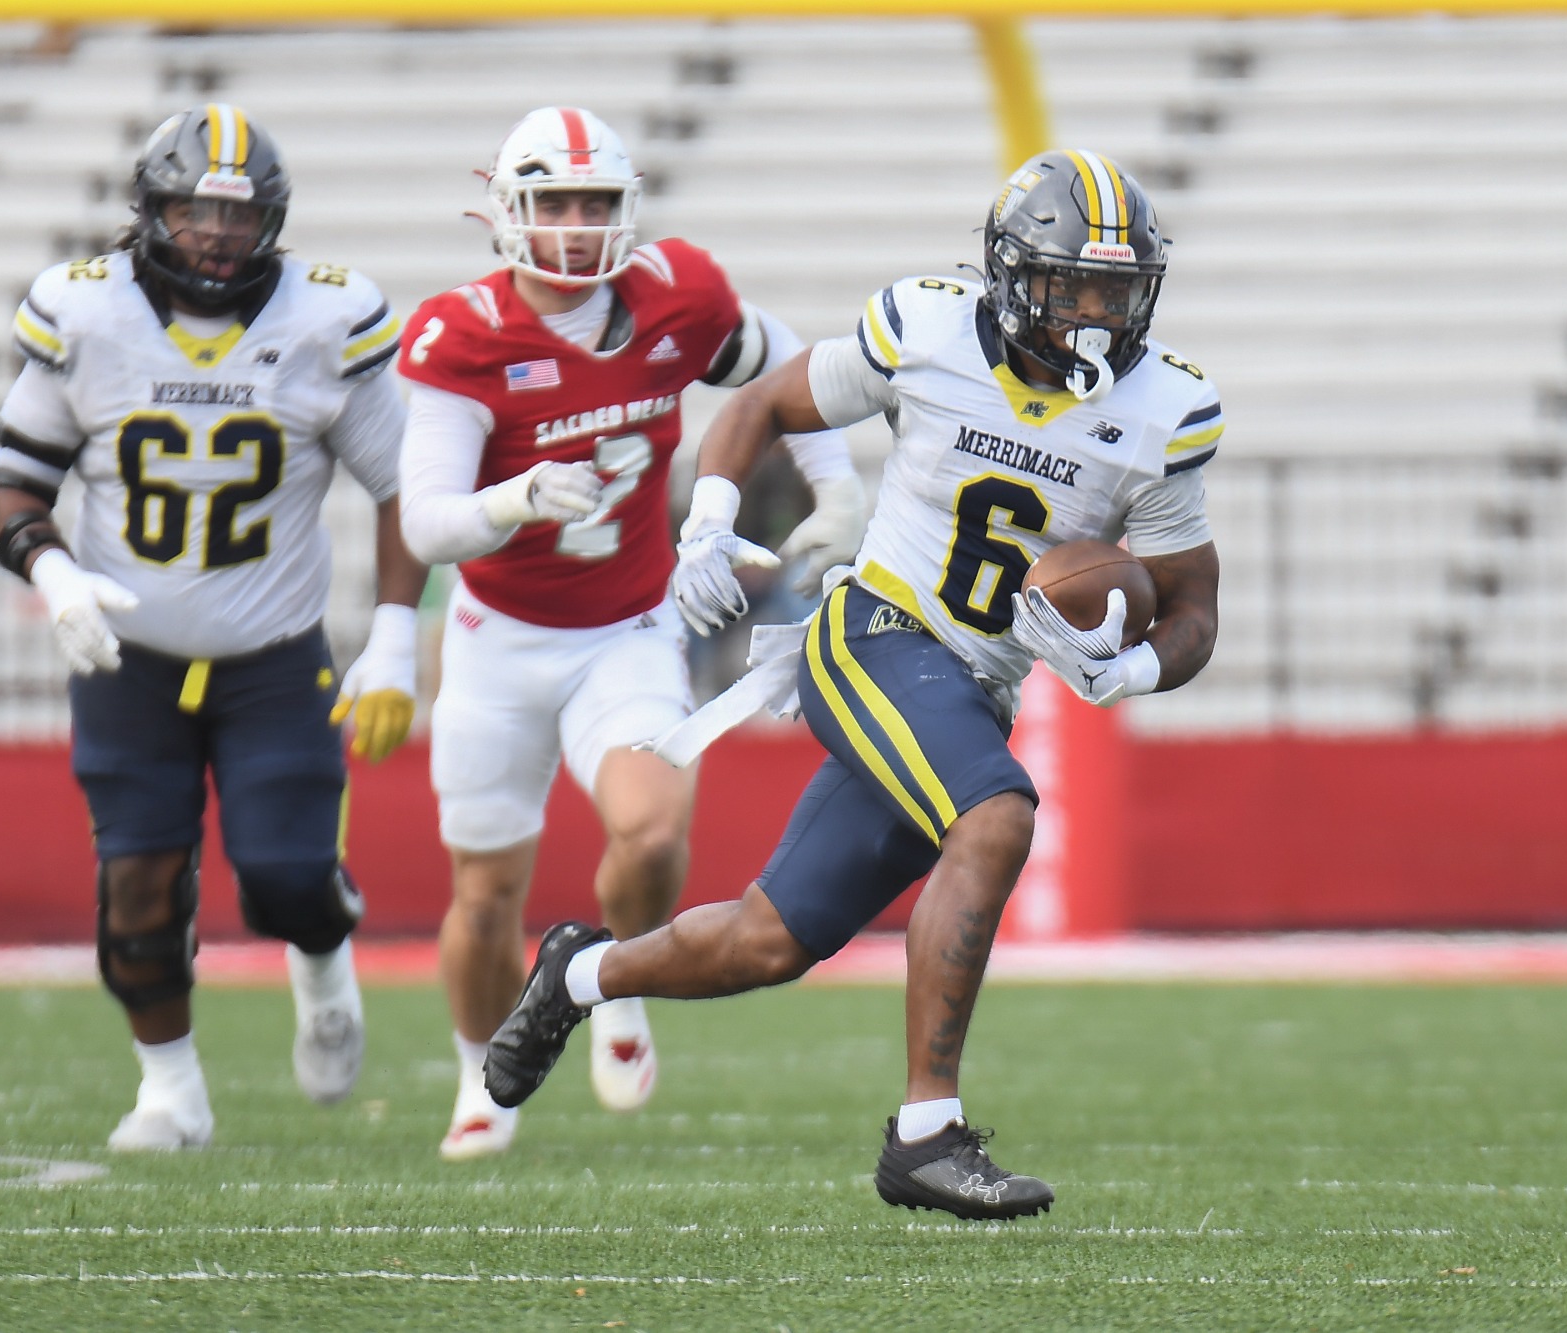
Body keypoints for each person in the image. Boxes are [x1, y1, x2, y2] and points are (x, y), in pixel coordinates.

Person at [482, 150, 1223, 1220]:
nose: (1094, 318)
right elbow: (760, 406)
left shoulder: (1167, 410)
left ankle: (577, 975)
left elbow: (1190, 602)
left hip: (969, 688)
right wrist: (709, 527)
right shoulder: (922, 332)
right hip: (872, 632)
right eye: (1070, 288)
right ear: (1012, 275)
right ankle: (925, 1134)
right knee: (997, 812)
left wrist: (1132, 665)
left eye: (1115, 292)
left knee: (765, 940)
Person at [393, 106, 864, 1161]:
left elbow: (786, 366)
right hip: (497, 634)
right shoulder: (463, 332)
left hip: (628, 624)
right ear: (507, 211)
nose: (573, 224)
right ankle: (482, 1070)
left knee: (653, 831)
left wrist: (836, 488)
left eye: (593, 202)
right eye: (552, 202)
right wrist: (514, 501)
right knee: (485, 892)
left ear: (627, 211)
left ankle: (610, 982)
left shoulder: (676, 293)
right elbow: (424, 520)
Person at [0, 104, 429, 1151]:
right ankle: (171, 1093)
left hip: (273, 661)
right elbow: (12, 482)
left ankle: (322, 965)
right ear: (150, 210)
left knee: (285, 881)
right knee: (136, 883)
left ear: (270, 220)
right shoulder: (85, 316)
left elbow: (406, 486)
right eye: (192, 209)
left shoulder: (323, 320)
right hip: (125, 660)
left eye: (235, 214)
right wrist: (54, 572)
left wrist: (395, 632)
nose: (215, 233)